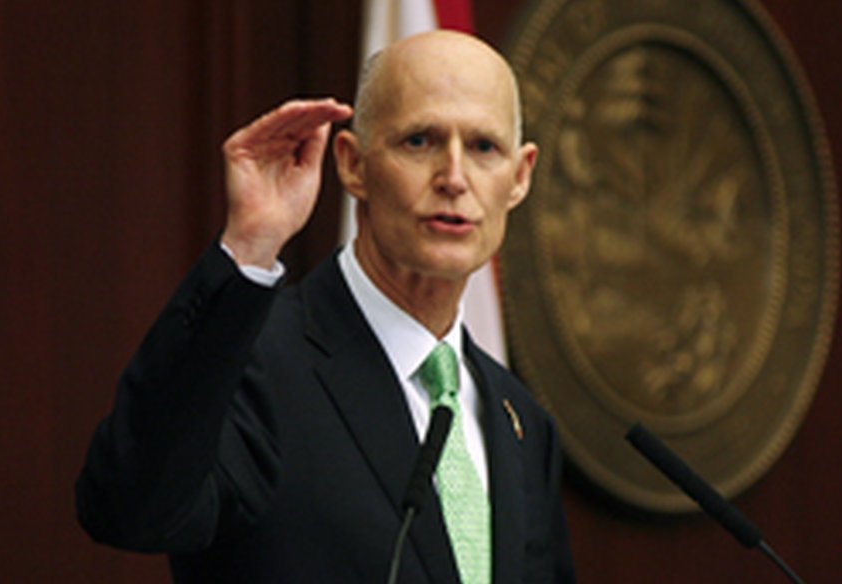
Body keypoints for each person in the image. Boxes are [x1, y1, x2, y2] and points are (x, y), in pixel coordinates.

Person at [76, 30, 575, 583]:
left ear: (520, 176)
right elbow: (128, 509)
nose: (454, 179)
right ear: (352, 164)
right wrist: (247, 247)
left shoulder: (519, 421)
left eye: (483, 147)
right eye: (419, 142)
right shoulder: (255, 365)